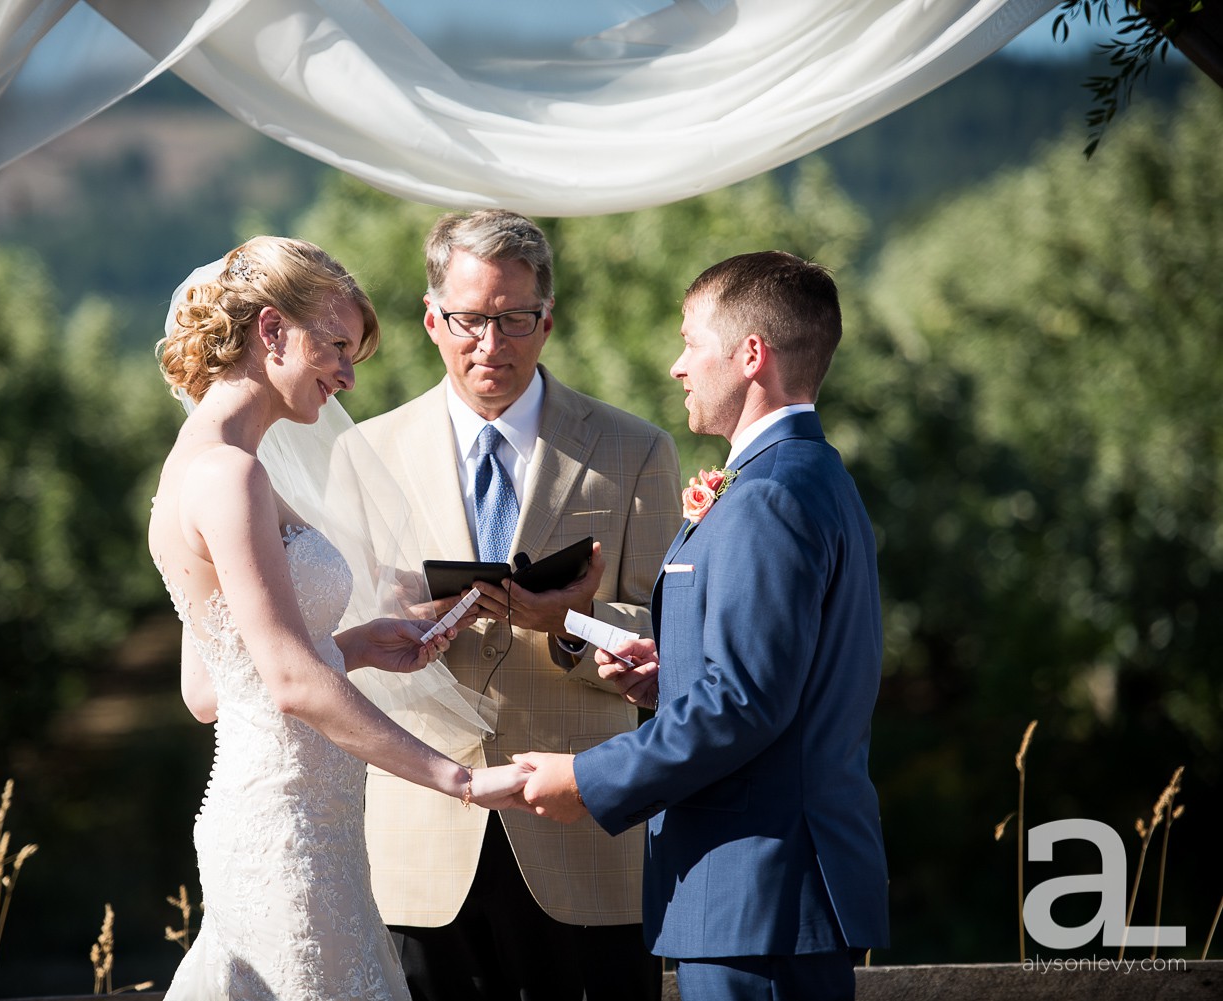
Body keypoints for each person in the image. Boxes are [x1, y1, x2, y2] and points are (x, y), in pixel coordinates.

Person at [148, 236, 532, 1001]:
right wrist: (458, 780)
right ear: (269, 332)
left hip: (292, 819)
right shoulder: (231, 475)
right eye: (335, 346)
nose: (349, 376)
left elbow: (211, 690)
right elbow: (288, 681)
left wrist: (350, 645)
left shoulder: (202, 461)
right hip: (285, 832)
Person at [516, 251, 891, 1001]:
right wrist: (669, 671)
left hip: (759, 891)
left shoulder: (768, 497)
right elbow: (776, 675)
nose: (676, 365)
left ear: (751, 354)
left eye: (691, 341)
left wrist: (588, 778)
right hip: (764, 893)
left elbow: (744, 702)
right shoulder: (808, 475)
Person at [355, 209, 680, 1001]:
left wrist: (568, 624)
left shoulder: (636, 450)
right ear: (433, 318)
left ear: (549, 320)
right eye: (469, 319)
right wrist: (397, 617)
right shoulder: (362, 453)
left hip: (585, 840)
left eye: (514, 320)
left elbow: (676, 643)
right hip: (421, 846)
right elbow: (336, 654)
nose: (490, 345)